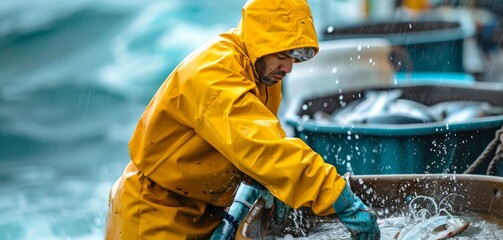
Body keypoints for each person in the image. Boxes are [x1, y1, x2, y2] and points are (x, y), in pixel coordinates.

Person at [104, 0, 380, 239]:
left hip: (205, 206)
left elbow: (264, 135)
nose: (288, 68)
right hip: (156, 212)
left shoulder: (264, 72)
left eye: (296, 57)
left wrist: (269, 182)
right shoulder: (215, 77)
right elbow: (264, 149)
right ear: (261, 41)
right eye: (283, 54)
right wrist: (336, 196)